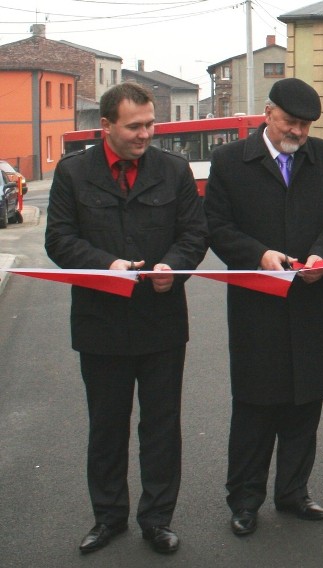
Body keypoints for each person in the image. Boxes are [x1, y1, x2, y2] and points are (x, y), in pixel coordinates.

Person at [44, 82, 209, 554]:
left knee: (161, 427)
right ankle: (108, 517)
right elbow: (59, 239)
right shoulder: (74, 174)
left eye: (150, 124)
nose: (145, 134)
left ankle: (157, 519)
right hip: (101, 323)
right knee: (107, 427)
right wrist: (106, 266)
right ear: (107, 126)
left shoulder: (173, 170)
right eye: (134, 126)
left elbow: (194, 234)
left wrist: (172, 268)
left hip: (161, 322)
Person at [204, 78, 323, 536]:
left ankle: (293, 493)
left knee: (303, 406)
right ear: (268, 113)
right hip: (259, 306)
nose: (298, 133)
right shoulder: (231, 161)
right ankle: (245, 500)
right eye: (291, 122)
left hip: (311, 301)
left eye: (306, 126)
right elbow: (216, 225)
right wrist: (258, 255)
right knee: (255, 408)